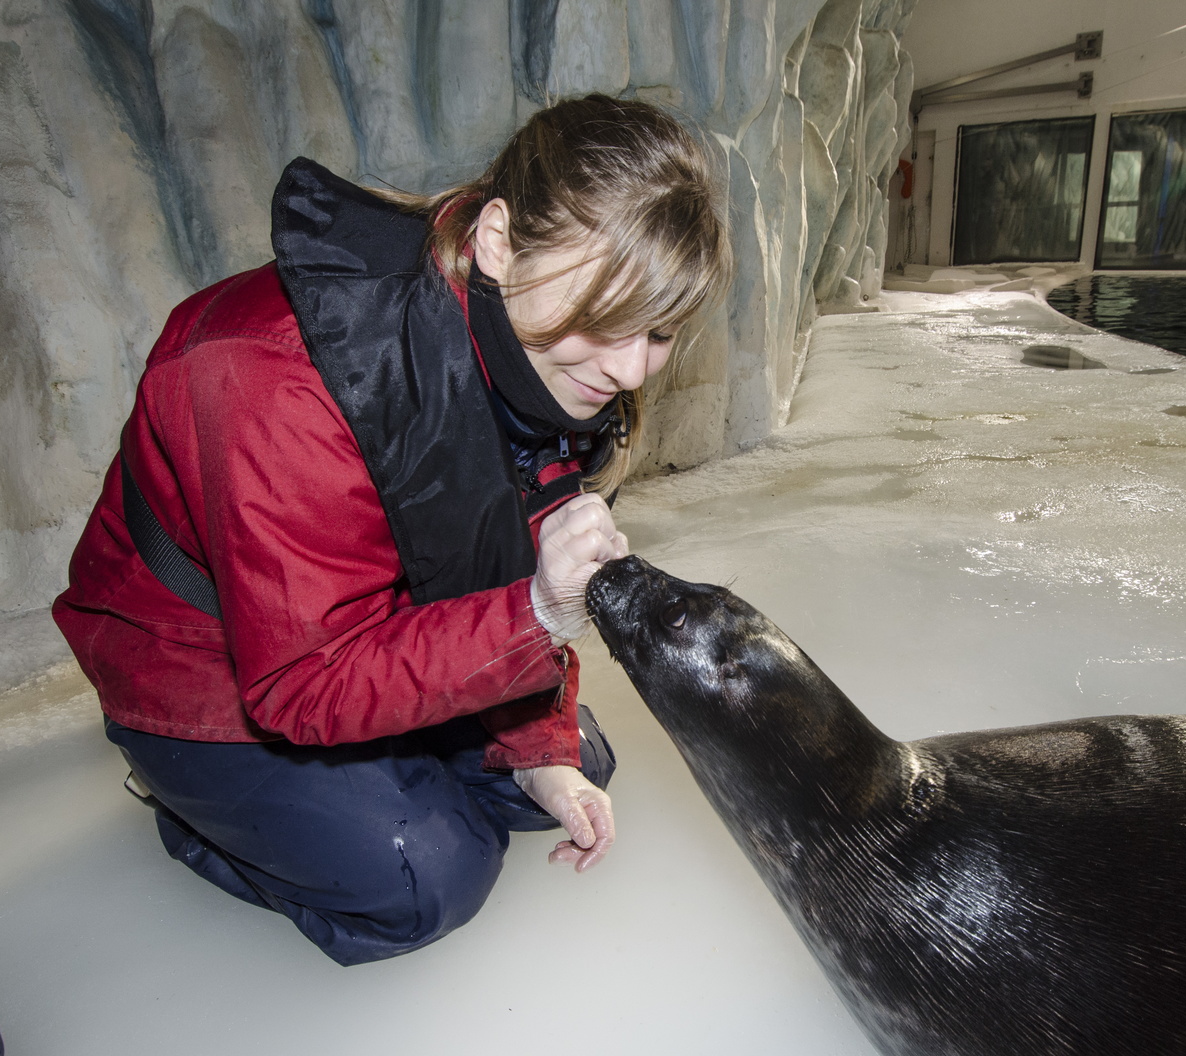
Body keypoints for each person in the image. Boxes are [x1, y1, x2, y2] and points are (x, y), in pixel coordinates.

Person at [52, 95, 730, 966]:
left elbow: (488, 545)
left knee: (576, 765)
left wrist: (540, 747)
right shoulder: (269, 378)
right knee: (430, 876)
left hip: (371, 618)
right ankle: (197, 814)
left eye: (661, 330)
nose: (630, 367)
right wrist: (532, 619)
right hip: (207, 661)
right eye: (607, 316)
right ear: (496, 240)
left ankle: (396, 772)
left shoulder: (537, 357)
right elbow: (300, 681)